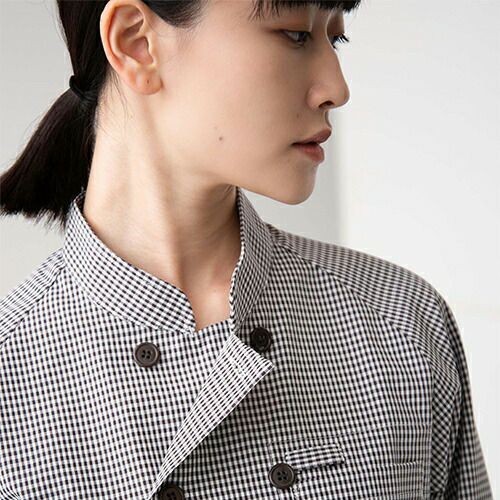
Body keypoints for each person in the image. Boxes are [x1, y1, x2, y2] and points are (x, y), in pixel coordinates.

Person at [0, 1, 492, 499]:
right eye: (296, 35)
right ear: (136, 43)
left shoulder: (403, 322)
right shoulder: (11, 375)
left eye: (336, 38)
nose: (337, 89)